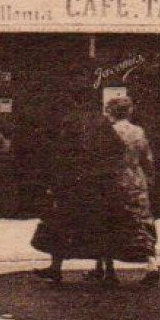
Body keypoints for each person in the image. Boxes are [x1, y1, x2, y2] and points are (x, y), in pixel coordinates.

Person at [30, 109, 110, 283]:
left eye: (66, 127)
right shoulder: (90, 146)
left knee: (60, 228)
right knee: (94, 230)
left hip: (71, 194)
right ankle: (103, 269)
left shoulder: (65, 148)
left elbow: (59, 170)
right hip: (86, 193)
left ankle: (56, 268)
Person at [97, 96, 160, 287]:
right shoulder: (137, 131)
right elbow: (147, 158)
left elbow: (100, 158)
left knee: (109, 223)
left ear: (110, 112)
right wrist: (149, 179)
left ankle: (109, 270)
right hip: (135, 180)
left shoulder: (107, 132)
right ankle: (152, 266)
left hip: (113, 181)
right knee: (142, 222)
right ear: (129, 111)